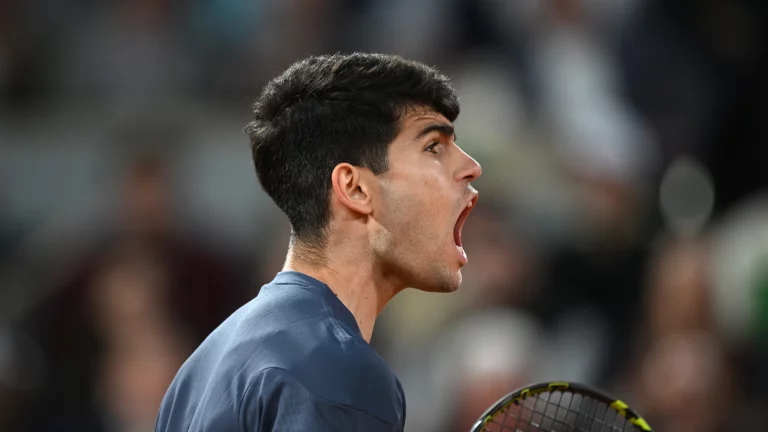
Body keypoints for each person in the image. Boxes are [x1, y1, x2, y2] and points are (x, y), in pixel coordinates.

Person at [155, 52, 482, 431]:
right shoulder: (337, 371)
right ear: (355, 188)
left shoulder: (200, 370)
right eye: (433, 147)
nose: (471, 167)